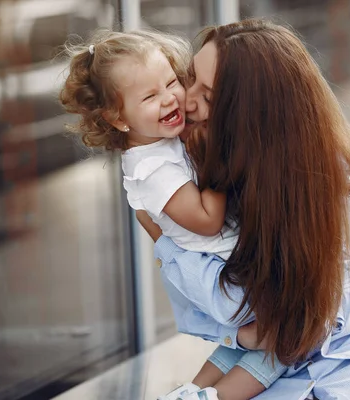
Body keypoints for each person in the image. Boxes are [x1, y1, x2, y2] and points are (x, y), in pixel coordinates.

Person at [140, 18, 350, 399]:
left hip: (346, 346)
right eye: (190, 79)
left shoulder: (319, 173)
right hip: (259, 359)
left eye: (208, 96)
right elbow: (225, 313)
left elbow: (245, 311)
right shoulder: (196, 167)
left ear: (252, 115)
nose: (186, 100)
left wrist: (166, 242)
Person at [58, 29, 289, 400]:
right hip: (224, 271)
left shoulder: (161, 145)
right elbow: (208, 221)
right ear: (118, 118)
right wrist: (217, 159)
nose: (170, 99)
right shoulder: (152, 169)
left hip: (221, 265)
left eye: (171, 82)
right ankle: (216, 397)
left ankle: (192, 390)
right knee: (281, 345)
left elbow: (149, 219)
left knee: (242, 348)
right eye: (150, 96)